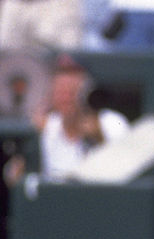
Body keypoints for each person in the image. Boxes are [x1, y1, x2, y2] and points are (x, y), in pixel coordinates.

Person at [38, 54, 131, 182]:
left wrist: (99, 139)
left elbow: (124, 175)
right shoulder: (46, 126)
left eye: (72, 92)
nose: (66, 99)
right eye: (60, 92)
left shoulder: (114, 123)